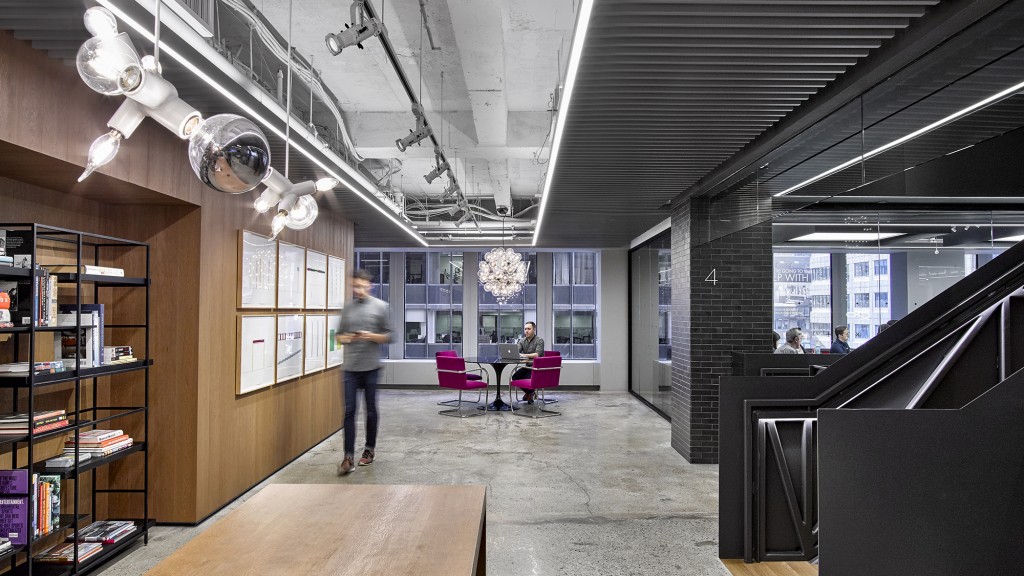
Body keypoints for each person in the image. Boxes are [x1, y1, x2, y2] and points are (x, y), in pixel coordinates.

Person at [336, 269, 392, 476]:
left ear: (370, 286)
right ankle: (348, 456)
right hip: (349, 368)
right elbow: (338, 336)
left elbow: (389, 336)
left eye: (361, 286)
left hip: (371, 368)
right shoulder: (347, 309)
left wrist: (370, 336)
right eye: (354, 286)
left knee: (371, 410)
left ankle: (369, 450)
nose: (358, 290)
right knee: (349, 412)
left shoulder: (381, 307)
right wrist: (348, 337)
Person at [511, 321, 545, 403]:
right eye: (525, 329)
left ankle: (529, 393)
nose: (526, 331)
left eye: (529, 329)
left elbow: (537, 354)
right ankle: (530, 392)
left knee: (528, 379)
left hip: (536, 368)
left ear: (534, 330)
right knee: (515, 377)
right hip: (527, 366)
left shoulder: (539, 340)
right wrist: (514, 353)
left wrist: (523, 355)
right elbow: (517, 351)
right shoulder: (522, 341)